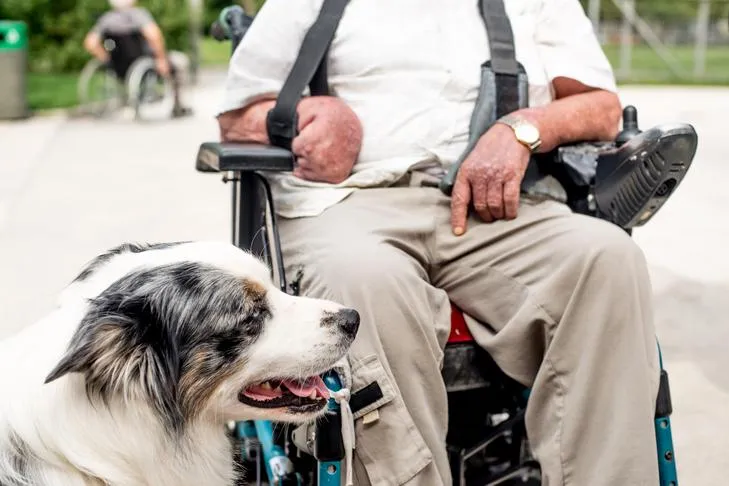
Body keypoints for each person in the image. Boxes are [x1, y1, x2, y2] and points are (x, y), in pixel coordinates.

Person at [217, 0, 662, 485]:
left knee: (607, 259)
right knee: (366, 281)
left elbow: (602, 108)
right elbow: (237, 118)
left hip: (495, 205)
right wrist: (303, 116)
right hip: (344, 203)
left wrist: (522, 130)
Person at [83, 0, 192, 117]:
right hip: (144, 59)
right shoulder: (139, 15)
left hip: (119, 65)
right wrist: (161, 59)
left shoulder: (107, 19)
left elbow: (91, 43)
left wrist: (107, 59)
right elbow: (154, 35)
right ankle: (178, 106)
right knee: (181, 61)